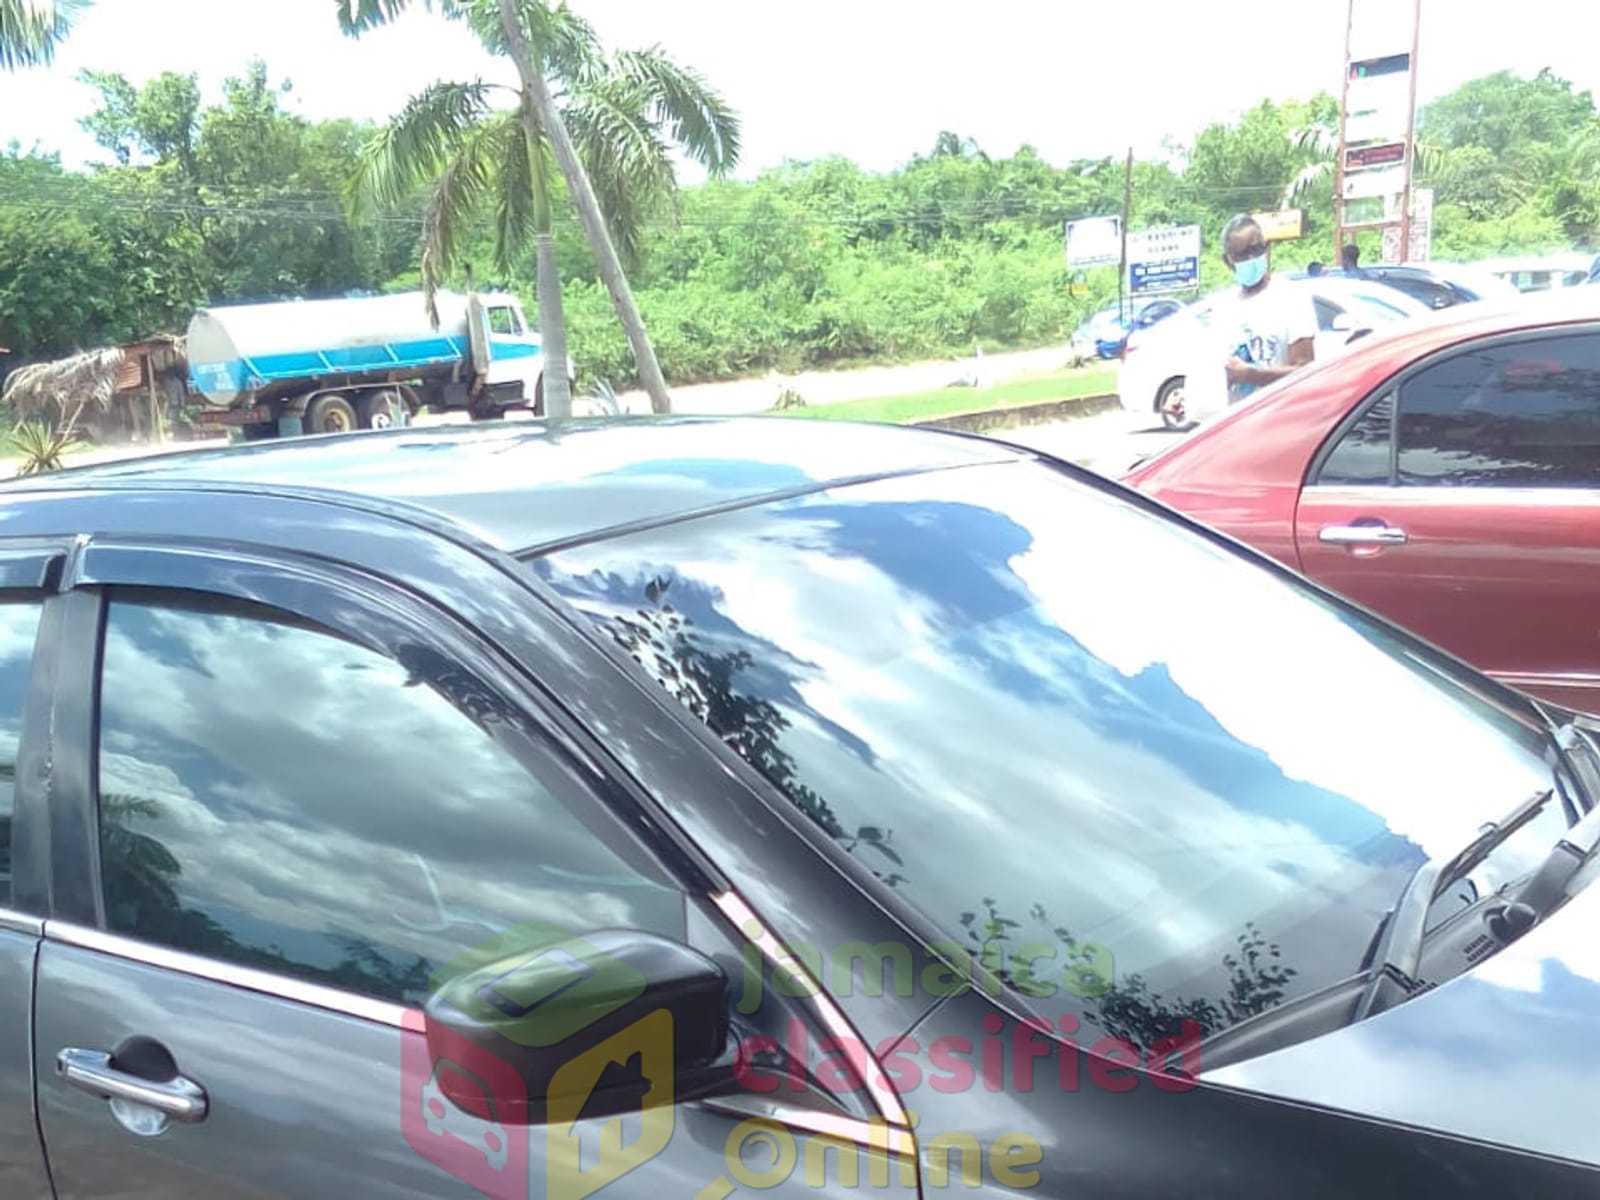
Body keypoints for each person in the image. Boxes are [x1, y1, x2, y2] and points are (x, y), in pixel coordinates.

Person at [1163, 214, 1318, 423]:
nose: (1251, 258)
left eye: (1256, 249)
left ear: (1267, 248)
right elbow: (1216, 374)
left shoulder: (1291, 298)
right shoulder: (1223, 308)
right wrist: (1187, 399)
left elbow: (1306, 372)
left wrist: (1252, 375)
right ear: (1228, 261)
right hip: (1237, 429)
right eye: (1242, 254)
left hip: (1281, 425)